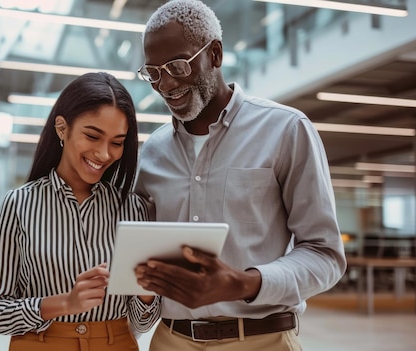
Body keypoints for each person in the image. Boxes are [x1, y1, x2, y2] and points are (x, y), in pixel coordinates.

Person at [132, 1, 347, 350]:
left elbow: (325, 255)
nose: (165, 83)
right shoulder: (154, 151)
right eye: (153, 72)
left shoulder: (286, 130)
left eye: (177, 65)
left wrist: (245, 283)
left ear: (214, 54)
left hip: (263, 339)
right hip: (170, 339)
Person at [0, 72, 161, 351]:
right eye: (92, 136)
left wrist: (148, 292)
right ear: (62, 128)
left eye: (117, 142)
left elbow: (141, 324)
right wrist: (64, 303)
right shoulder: (19, 204)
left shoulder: (133, 209)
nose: (104, 153)